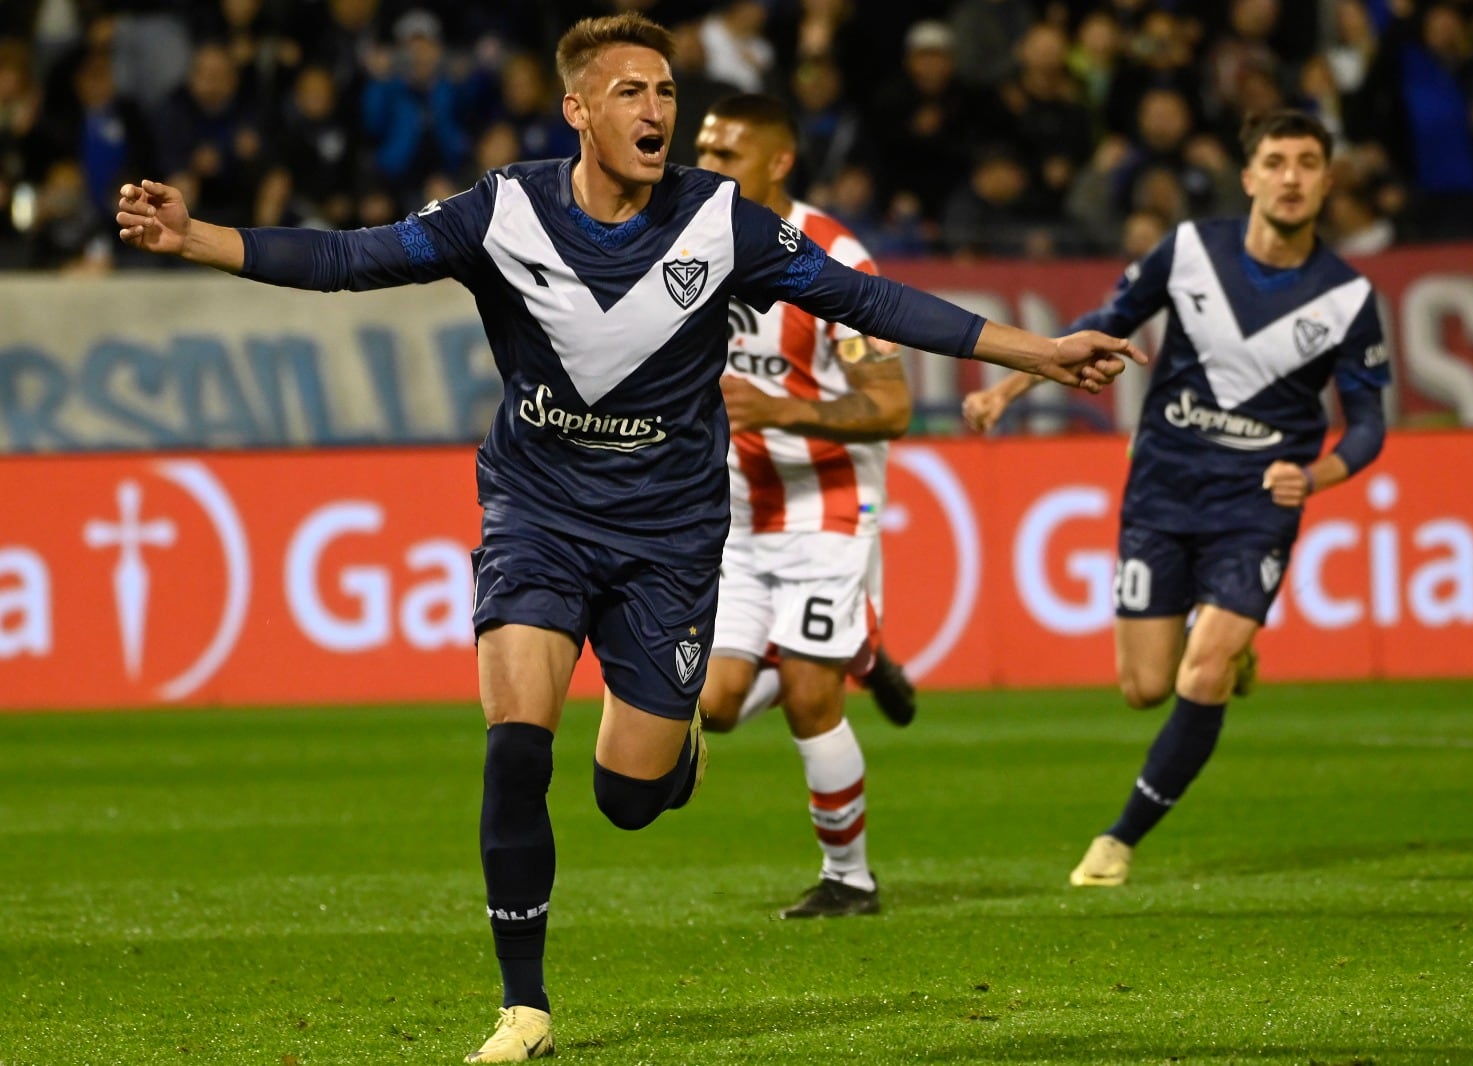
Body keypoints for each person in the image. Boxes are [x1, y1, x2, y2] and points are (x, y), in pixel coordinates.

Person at [115, 12, 1142, 1060]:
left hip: (670, 536)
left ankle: (675, 739)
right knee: (516, 740)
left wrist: (1041, 351)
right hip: (538, 514)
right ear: (577, 110)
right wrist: (197, 236)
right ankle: (525, 1005)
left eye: (664, 92)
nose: (657, 112)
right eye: (629, 93)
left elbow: (867, 299)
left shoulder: (721, 222)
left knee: (628, 798)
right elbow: (347, 256)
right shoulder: (503, 210)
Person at [964, 109, 1387, 890]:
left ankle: (1118, 840)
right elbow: (1102, 325)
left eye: (1307, 163)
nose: (1291, 177)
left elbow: (1367, 425)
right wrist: (1010, 387)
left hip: (1257, 505)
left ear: (1328, 180)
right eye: (1276, 161)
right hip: (1162, 489)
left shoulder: (1348, 298)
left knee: (1203, 674)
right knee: (1144, 688)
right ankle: (1232, 647)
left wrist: (1316, 477)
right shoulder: (1190, 250)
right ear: (1250, 174)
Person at [692, 92, 908, 921]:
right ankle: (857, 644)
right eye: (703, 150)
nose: (705, 167)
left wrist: (784, 408)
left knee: (811, 698)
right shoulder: (686, 241)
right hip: (736, 514)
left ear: (779, 162)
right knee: (712, 705)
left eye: (726, 156)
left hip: (827, 509)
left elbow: (889, 406)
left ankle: (849, 878)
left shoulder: (838, 260)